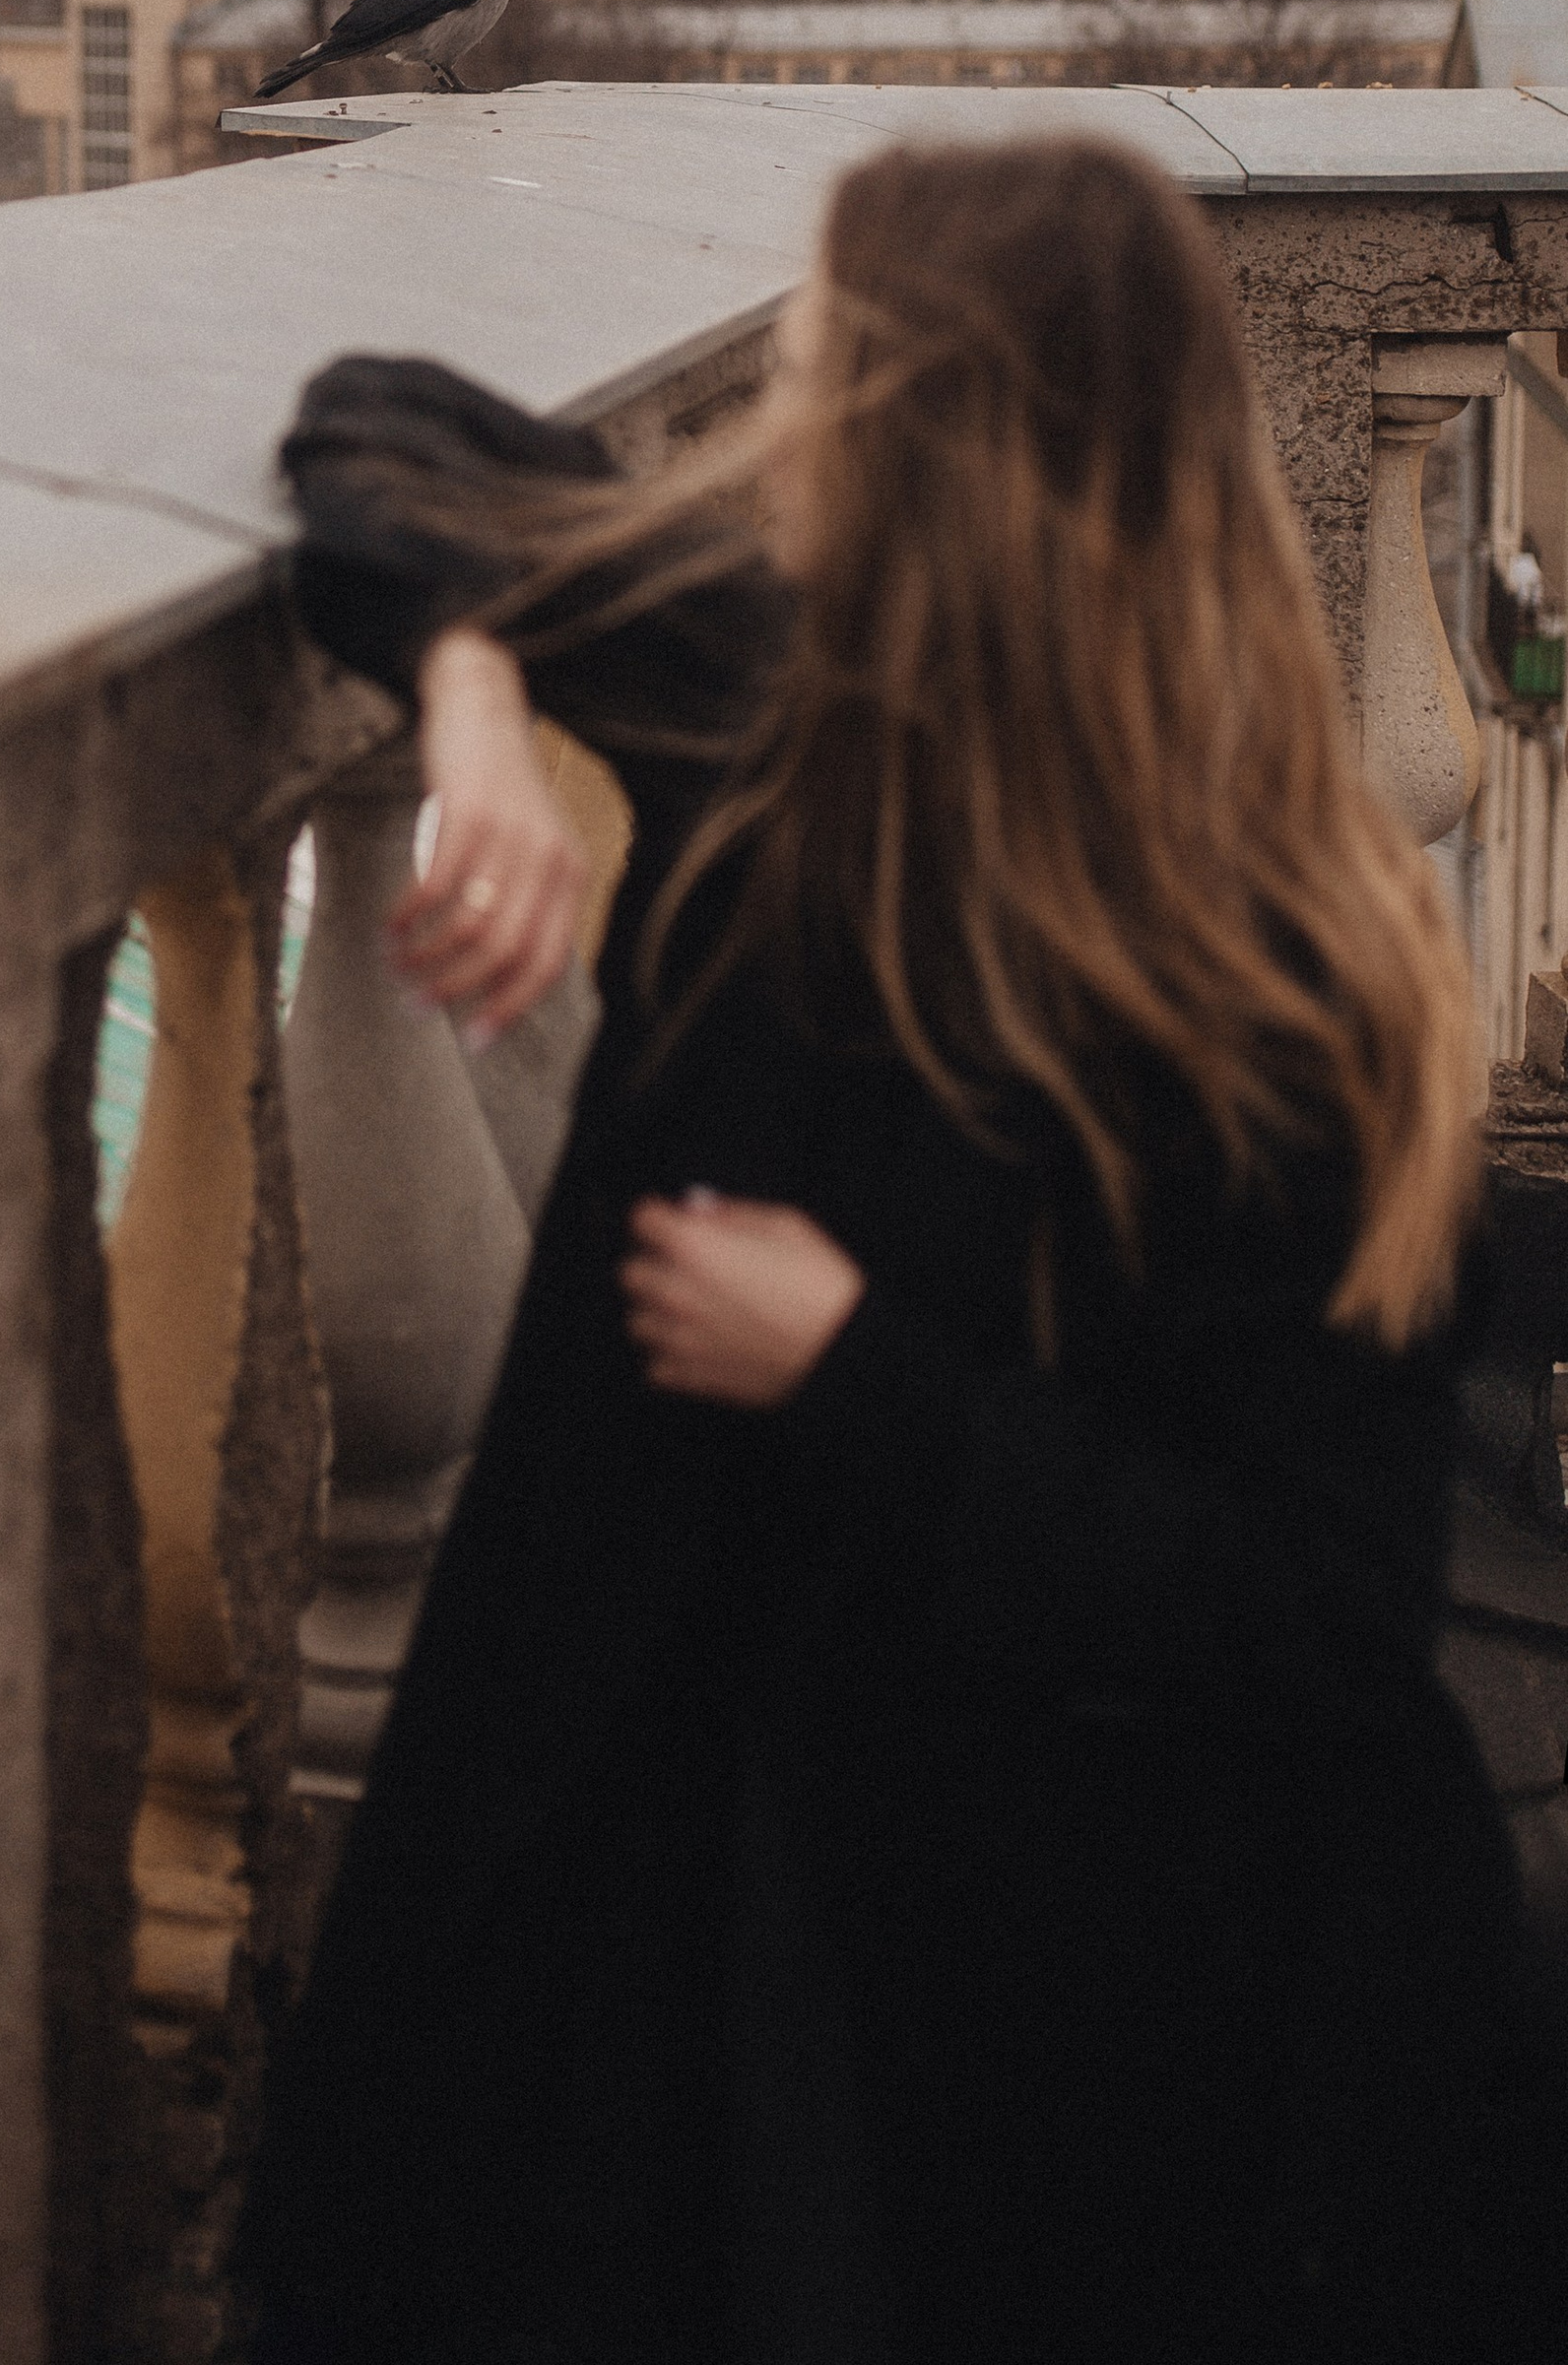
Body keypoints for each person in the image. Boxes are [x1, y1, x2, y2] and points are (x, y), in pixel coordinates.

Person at [238, 136, 1556, 2365]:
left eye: (833, 362)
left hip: (1084, 1953)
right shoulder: (763, 707)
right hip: (744, 1842)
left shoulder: (1280, 978)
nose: (784, 410)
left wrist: (860, 1380)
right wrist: (473, 697)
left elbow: (1315, 1609)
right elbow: (375, 424)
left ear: (935, 438)